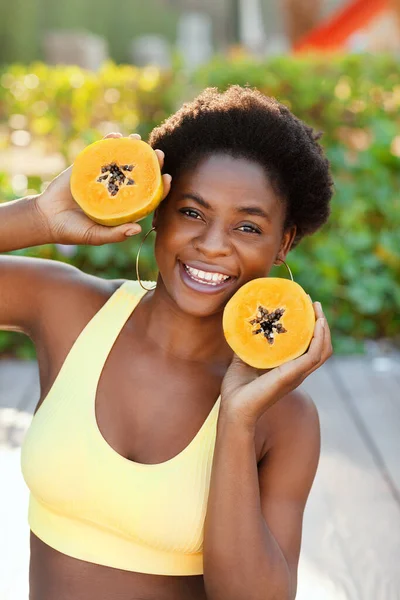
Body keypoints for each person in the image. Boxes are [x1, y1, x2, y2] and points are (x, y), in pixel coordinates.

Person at [0, 85, 334, 600]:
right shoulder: (66, 308)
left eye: (247, 226)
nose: (212, 245)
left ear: (282, 243)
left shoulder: (284, 416)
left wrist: (238, 420)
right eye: (192, 213)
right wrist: (40, 218)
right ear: (158, 209)